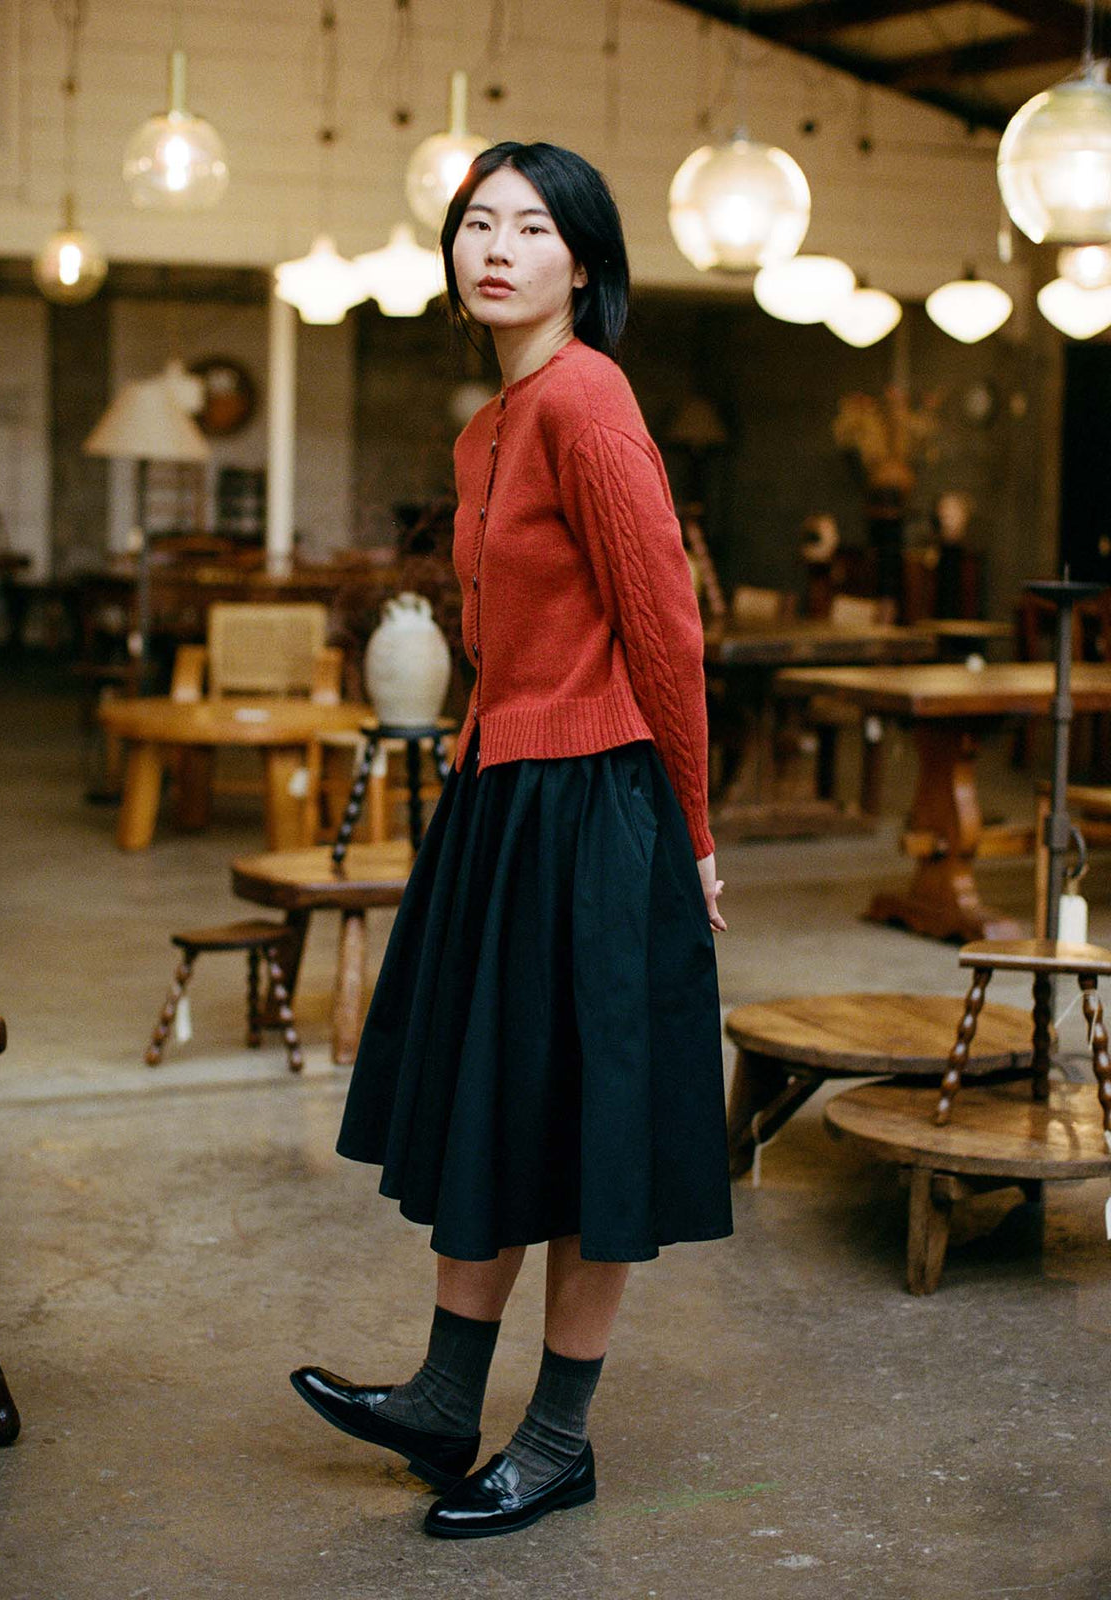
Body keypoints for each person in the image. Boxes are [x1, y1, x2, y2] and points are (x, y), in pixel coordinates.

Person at [291, 140, 733, 1541]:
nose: (496, 247)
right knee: (496, 1102)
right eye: (477, 223)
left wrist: (692, 833)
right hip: (503, 795)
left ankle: (556, 1441)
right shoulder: (489, 427)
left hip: (598, 803)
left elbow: (666, 632)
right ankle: (443, 1401)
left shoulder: (588, 401)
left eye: (533, 228)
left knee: (588, 1126)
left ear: (584, 265)